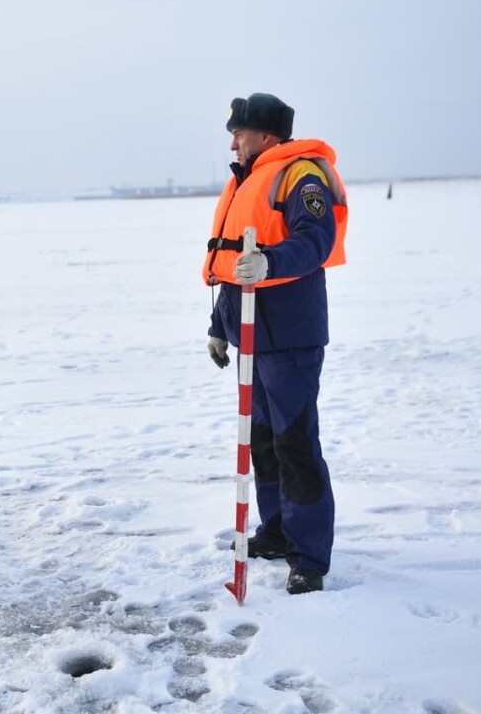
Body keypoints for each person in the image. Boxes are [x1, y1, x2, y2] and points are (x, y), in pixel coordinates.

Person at [202, 93, 348, 595]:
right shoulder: (246, 179)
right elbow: (233, 262)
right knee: (261, 441)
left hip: (290, 336)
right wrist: (219, 325)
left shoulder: (300, 175)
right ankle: (278, 530)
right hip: (250, 335)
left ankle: (309, 557)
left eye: (239, 134)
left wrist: (270, 263)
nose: (233, 143)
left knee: (295, 443)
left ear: (266, 136)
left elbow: (314, 240)